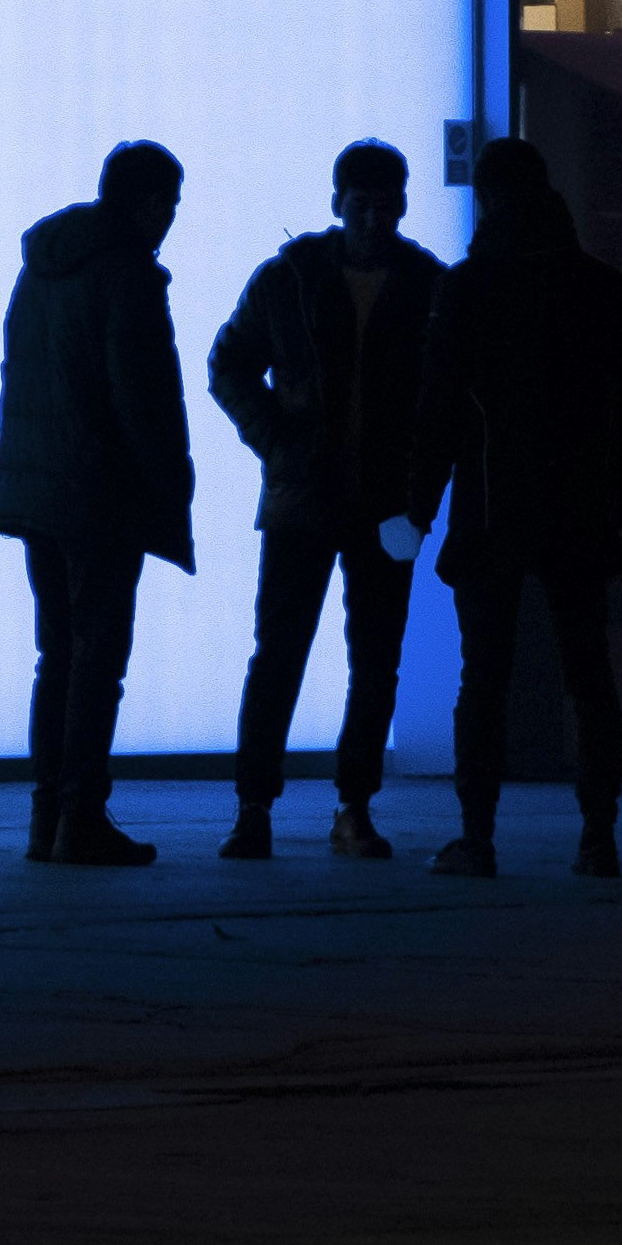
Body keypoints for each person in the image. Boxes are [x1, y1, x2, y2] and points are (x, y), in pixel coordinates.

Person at [395, 135, 622, 879]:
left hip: (489, 508)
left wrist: (418, 508)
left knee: (485, 678)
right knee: (588, 672)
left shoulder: (471, 286)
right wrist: (612, 499)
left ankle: (476, 837)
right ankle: (597, 836)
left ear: (484, 198)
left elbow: (440, 411)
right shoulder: (598, 286)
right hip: (578, 509)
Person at [204, 139, 446, 860]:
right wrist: (276, 440)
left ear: (397, 204)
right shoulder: (404, 282)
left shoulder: (302, 277)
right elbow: (229, 365)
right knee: (315, 656)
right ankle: (319, 809)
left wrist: (275, 440)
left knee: (334, 657)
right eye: (363, 204)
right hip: (338, 497)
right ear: (340, 203)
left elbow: (229, 365)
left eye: (384, 204)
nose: (374, 217)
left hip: (325, 498)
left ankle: (285, 809)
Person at [0, 140, 194, 865]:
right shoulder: (127, 272)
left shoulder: (43, 267)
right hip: (100, 495)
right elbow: (144, 395)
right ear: (146, 203)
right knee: (98, 660)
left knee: (58, 655)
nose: (170, 220)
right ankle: (83, 817)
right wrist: (172, 483)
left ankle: (48, 818)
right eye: (168, 205)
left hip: (39, 489)